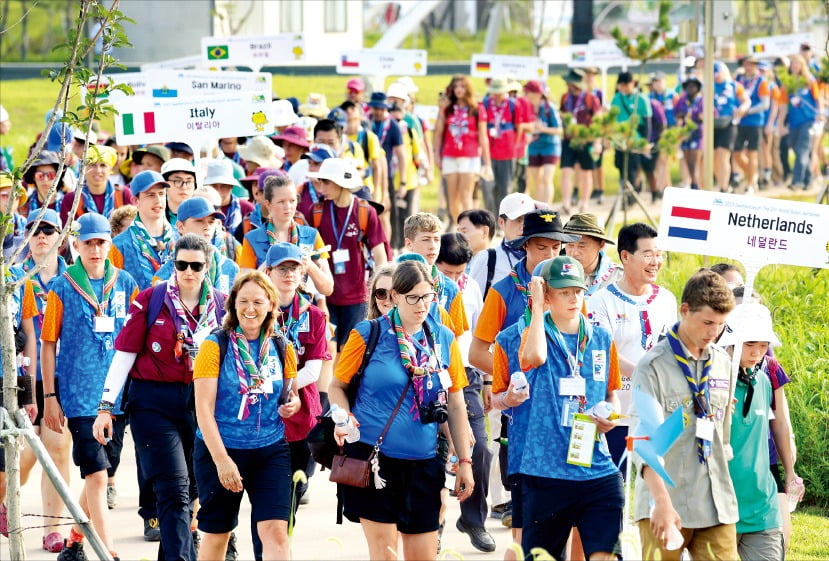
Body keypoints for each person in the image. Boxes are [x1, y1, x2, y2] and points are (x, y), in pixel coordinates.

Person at [328, 260, 474, 561]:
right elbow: (336, 386)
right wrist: (343, 418)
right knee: (386, 556)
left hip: (423, 463)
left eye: (427, 296)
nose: (422, 305)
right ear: (394, 296)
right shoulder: (369, 333)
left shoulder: (443, 338)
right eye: (413, 298)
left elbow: (456, 403)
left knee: (423, 556)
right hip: (375, 460)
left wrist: (465, 461)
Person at [93, 234, 226, 560]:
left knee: (193, 490)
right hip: (153, 403)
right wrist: (105, 408)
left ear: (207, 266)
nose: (189, 272)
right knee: (174, 489)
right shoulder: (152, 300)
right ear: (174, 264)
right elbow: (123, 354)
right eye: (182, 265)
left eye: (196, 265)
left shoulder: (221, 306)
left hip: (201, 404)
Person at [491, 256, 623, 561]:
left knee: (605, 554)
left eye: (577, 290)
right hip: (544, 470)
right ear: (545, 293)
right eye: (564, 291)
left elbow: (611, 394)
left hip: (594, 466)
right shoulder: (518, 338)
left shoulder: (600, 338)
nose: (574, 297)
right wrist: (538, 308)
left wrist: (610, 417)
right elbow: (533, 358)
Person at [41, 212, 139, 560]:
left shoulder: (126, 283)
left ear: (110, 244)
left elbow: (134, 338)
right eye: (88, 243)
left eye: (101, 242)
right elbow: (48, 342)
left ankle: (75, 539)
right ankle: (106, 549)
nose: (95, 249)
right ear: (75, 245)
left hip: (116, 396)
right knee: (97, 475)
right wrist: (50, 396)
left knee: (103, 470)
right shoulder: (62, 286)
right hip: (79, 396)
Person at [192, 271, 301, 561]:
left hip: (270, 450)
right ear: (232, 305)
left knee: (277, 532)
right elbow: (202, 408)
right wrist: (222, 460)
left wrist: (293, 404)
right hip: (222, 449)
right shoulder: (214, 346)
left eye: (258, 301)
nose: (250, 309)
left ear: (270, 306)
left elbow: (293, 394)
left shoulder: (282, 346)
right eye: (243, 301)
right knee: (218, 536)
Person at [631, 269, 738, 561]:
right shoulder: (653, 366)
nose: (713, 332)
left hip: (714, 502)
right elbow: (644, 442)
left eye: (720, 324)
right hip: (665, 500)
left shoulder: (722, 363)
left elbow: (722, 436)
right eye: (707, 322)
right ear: (684, 310)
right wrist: (662, 504)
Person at [587, 223, 677, 471]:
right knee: (615, 486)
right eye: (647, 254)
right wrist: (643, 374)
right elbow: (603, 353)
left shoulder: (666, 299)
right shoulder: (600, 302)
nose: (655, 261)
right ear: (625, 256)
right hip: (616, 414)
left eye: (658, 254)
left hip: (657, 413)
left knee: (657, 488)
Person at [16, 209, 72, 553]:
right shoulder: (14, 278)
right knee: (23, 449)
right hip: (23, 374)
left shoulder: (73, 279)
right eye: (35, 230)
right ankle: (8, 494)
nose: (42, 236)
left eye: (49, 230)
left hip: (62, 375)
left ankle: (54, 528)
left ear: (60, 238)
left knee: (58, 447)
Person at [435, 233, 494, 553]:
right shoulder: (422, 289)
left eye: (460, 273)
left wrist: (486, 381)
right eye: (447, 274)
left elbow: (480, 336)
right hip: (429, 374)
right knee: (438, 451)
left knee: (480, 448)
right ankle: (435, 524)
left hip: (465, 375)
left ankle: (473, 518)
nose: (455, 280)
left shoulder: (470, 287)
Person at [264, 243, 330, 517]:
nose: (289, 274)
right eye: (282, 268)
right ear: (268, 272)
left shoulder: (313, 314)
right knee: (270, 489)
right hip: (265, 408)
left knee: (296, 482)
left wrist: (285, 388)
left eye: (294, 268)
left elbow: (314, 370)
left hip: (301, 409)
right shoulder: (257, 310)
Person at [717, 303, 784, 561]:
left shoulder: (765, 381)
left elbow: (777, 427)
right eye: (750, 344)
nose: (757, 352)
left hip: (762, 509)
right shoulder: (710, 380)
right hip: (717, 509)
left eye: (764, 345)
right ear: (732, 340)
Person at [306, 158, 389, 350]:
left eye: (326, 182)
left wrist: (382, 290)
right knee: (327, 348)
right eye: (320, 181)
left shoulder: (365, 211)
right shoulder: (316, 211)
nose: (321, 187)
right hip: (325, 295)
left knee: (349, 350)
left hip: (358, 297)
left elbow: (380, 254)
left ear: (340, 183)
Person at [237, 176, 332, 297]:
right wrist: (267, 265)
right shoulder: (252, 238)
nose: (288, 206)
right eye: (281, 202)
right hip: (268, 310)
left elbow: (328, 289)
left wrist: (310, 266)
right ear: (268, 204)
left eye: (292, 200)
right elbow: (243, 288)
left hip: (302, 310)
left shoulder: (311, 235)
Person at [433, 75, 491, 221]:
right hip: (450, 155)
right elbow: (438, 132)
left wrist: (487, 162)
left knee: (466, 196)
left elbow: (483, 136)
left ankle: (468, 231)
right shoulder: (447, 109)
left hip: (470, 156)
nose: (459, 89)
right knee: (452, 199)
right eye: (456, 86)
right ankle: (459, 227)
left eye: (462, 86)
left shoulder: (477, 108)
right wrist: (436, 155)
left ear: (467, 88)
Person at [153, 197, 239, 295]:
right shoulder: (166, 272)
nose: (207, 227)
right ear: (180, 227)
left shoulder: (230, 268)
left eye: (211, 222)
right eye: (199, 221)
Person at [109, 170, 176, 291]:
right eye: (150, 195)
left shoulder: (180, 239)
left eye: (161, 193)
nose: (158, 200)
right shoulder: (119, 245)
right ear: (135, 201)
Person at [402, 212, 468, 337]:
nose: (432, 246)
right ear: (409, 244)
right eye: (426, 240)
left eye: (436, 240)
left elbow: (456, 336)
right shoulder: (391, 280)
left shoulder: (450, 288)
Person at [466, 193, 536, 299]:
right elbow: (472, 304)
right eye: (518, 220)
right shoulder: (487, 259)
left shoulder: (544, 255)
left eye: (528, 220)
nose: (523, 226)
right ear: (501, 222)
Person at [559, 69, 602, 215]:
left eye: (569, 82)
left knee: (586, 172)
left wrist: (597, 142)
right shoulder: (565, 98)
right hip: (569, 140)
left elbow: (598, 121)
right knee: (565, 171)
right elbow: (562, 115)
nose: (567, 85)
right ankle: (565, 203)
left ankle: (584, 203)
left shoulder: (591, 99)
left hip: (586, 140)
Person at [778, 54, 823, 190]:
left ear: (802, 65)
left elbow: (818, 98)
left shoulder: (809, 81)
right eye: (793, 64)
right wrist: (780, 124)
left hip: (808, 120)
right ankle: (808, 181)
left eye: (797, 64)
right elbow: (784, 106)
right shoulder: (787, 83)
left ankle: (797, 181)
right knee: (798, 150)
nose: (795, 66)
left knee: (802, 149)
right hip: (793, 122)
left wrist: (820, 113)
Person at [59, 144, 132, 224]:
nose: (98, 170)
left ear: (110, 168)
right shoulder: (71, 199)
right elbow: (66, 233)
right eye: (92, 165)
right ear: (84, 167)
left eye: (103, 165)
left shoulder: (123, 194)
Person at [734, 56, 771, 194]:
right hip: (740, 122)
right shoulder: (739, 80)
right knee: (736, 153)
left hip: (755, 122)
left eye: (752, 64)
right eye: (747, 64)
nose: (749, 67)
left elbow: (765, 104)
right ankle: (752, 175)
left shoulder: (762, 81)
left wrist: (747, 111)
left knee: (752, 153)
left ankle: (750, 184)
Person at [562, 213, 623, 298]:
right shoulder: (555, 273)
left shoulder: (618, 278)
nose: (574, 253)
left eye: (581, 246)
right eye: (570, 245)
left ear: (601, 245)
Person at [611, 72, 652, 195]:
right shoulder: (617, 98)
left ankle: (632, 194)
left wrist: (646, 142)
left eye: (626, 85)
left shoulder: (642, 99)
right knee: (621, 166)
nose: (623, 88)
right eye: (621, 85)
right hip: (619, 140)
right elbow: (612, 119)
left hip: (635, 140)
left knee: (633, 168)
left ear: (632, 83)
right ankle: (625, 192)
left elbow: (647, 122)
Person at [712, 61, 751, 193]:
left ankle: (723, 188)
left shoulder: (734, 86)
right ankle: (723, 183)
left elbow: (746, 101)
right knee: (713, 158)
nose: (716, 76)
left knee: (723, 154)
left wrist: (741, 109)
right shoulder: (708, 87)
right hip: (712, 125)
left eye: (718, 73)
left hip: (729, 124)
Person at [522, 80, 562, 206]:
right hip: (534, 147)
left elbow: (559, 130)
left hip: (550, 146)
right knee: (536, 179)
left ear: (537, 94)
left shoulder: (549, 108)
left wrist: (542, 129)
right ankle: (539, 209)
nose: (526, 95)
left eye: (528, 92)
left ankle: (547, 208)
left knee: (546, 178)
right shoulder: (527, 108)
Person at [203, 159, 253, 241]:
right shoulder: (201, 207)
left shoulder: (247, 208)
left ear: (231, 186)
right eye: (214, 186)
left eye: (223, 186)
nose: (218, 190)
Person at [674, 76, 704, 190]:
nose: (691, 88)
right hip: (685, 134)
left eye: (693, 86)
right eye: (689, 86)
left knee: (695, 159)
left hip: (698, 133)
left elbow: (708, 114)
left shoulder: (701, 100)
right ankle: (692, 181)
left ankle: (697, 182)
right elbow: (676, 114)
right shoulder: (682, 100)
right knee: (687, 160)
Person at [21, 150, 65, 216]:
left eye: (51, 175)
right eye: (40, 175)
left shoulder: (68, 203)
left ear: (58, 176)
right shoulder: (24, 208)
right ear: (33, 177)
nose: (45, 180)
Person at [162, 158, 198, 226]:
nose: (184, 187)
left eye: (189, 181)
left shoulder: (202, 215)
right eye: (177, 181)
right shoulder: (156, 215)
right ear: (165, 184)